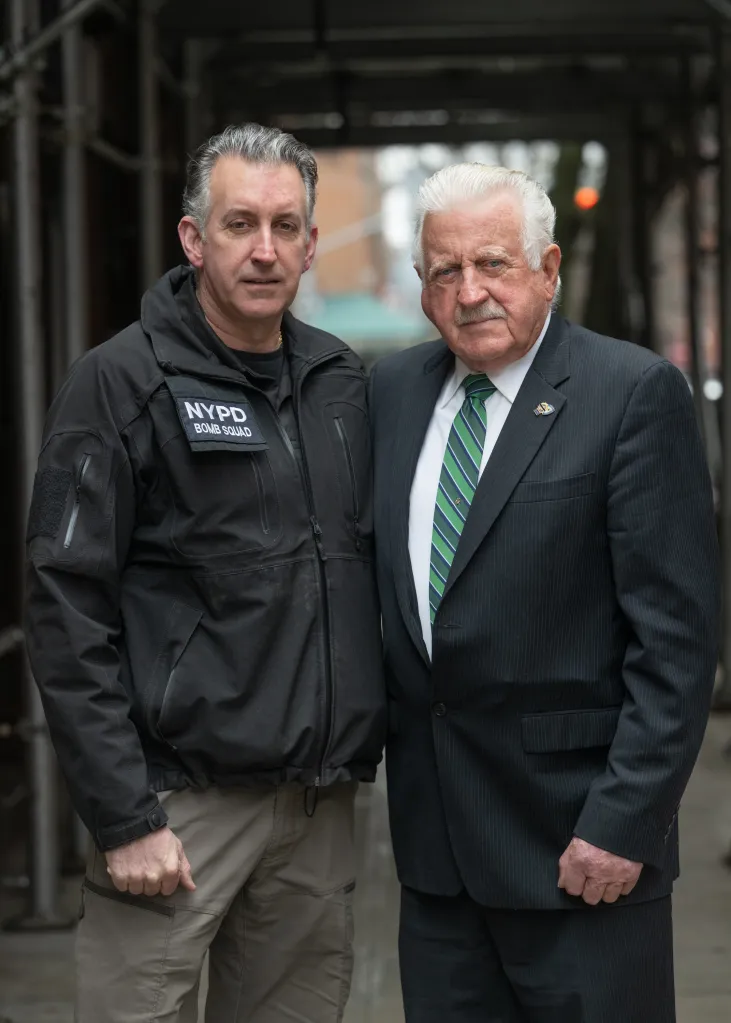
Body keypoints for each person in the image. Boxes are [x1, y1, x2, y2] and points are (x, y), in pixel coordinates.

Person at [25, 123, 385, 1022]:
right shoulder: (118, 383)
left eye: (285, 225)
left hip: (316, 809)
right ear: (194, 238)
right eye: (238, 224)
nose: (264, 249)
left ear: (310, 241)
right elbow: (66, 606)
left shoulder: (341, 383)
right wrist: (123, 813)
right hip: (177, 812)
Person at [370, 163, 720, 1023]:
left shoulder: (631, 393)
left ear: (550, 267)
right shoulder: (387, 394)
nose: (470, 291)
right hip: (438, 861)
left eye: (494, 263)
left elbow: (674, 643)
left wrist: (624, 823)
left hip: (583, 853)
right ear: (421, 282)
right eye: (444, 271)